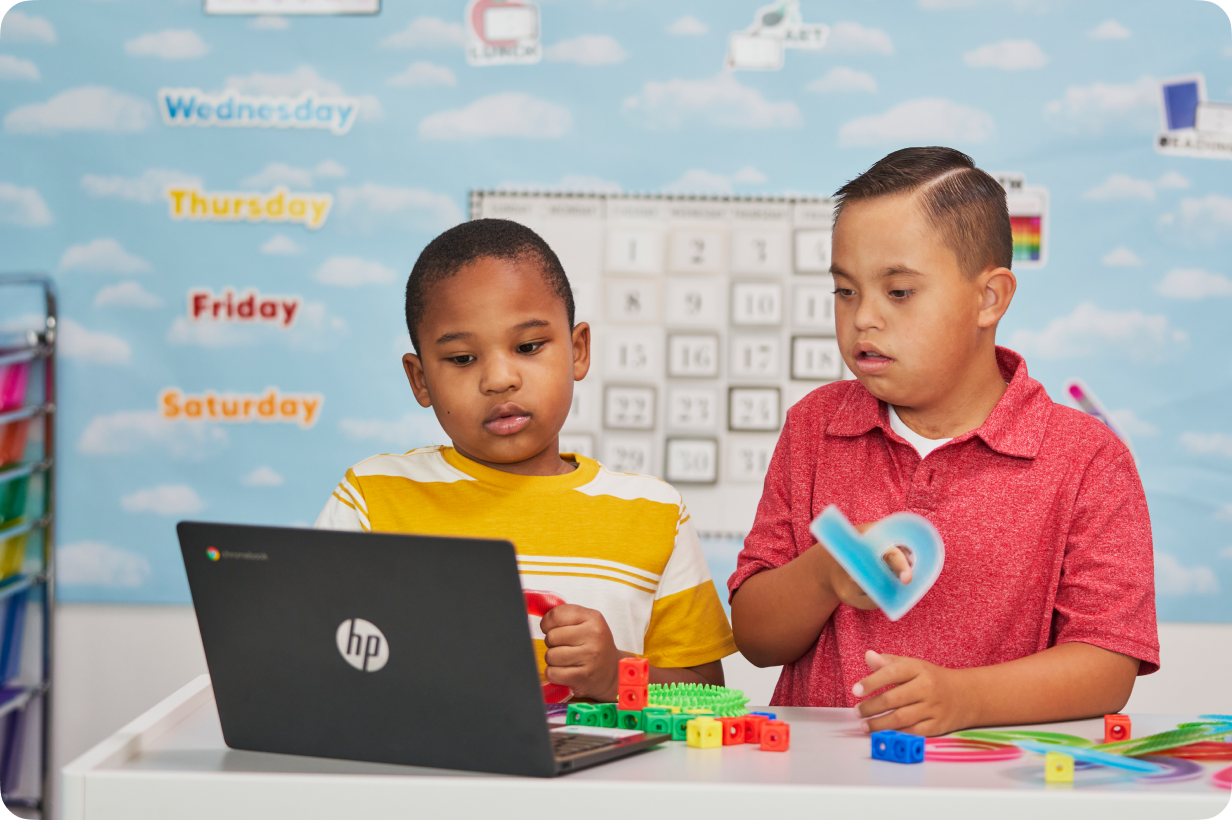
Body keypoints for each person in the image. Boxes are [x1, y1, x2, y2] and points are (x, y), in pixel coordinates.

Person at [728, 147, 1158, 737]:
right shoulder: (816, 426)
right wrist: (825, 574)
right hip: (820, 780)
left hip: (991, 785)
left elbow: (1108, 666)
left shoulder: (1086, 458)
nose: (863, 319)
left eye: (898, 292)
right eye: (845, 291)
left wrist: (962, 700)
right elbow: (754, 637)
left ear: (990, 298)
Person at [316, 218, 736, 702]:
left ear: (578, 351)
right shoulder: (370, 498)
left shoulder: (655, 513)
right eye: (461, 359)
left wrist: (616, 674)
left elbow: (709, 696)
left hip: (602, 776)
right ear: (420, 380)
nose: (498, 379)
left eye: (529, 347)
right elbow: (309, 655)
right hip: (423, 775)